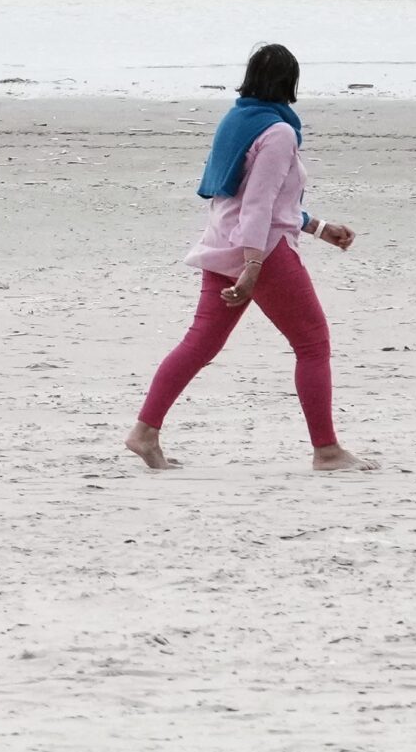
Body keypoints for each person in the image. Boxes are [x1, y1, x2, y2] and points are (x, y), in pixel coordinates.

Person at [126, 45, 378, 474]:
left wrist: (318, 227)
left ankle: (144, 433)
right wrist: (254, 266)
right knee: (313, 343)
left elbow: (254, 200)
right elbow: (258, 207)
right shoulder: (278, 133)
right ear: (290, 84)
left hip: (222, 244)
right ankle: (327, 451)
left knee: (199, 343)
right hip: (261, 252)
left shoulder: (238, 120)